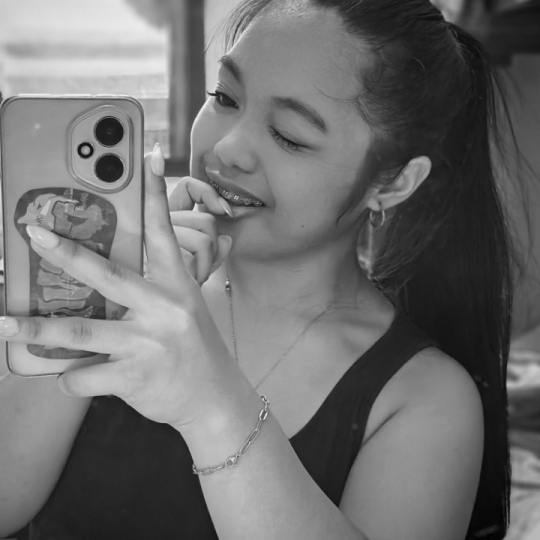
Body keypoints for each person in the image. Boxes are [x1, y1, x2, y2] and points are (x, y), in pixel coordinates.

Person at [0, 1, 514, 539]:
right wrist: (100, 299)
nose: (227, 149)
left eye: (289, 135)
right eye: (225, 98)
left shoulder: (427, 401)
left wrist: (211, 405)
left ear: (393, 182)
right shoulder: (125, 294)